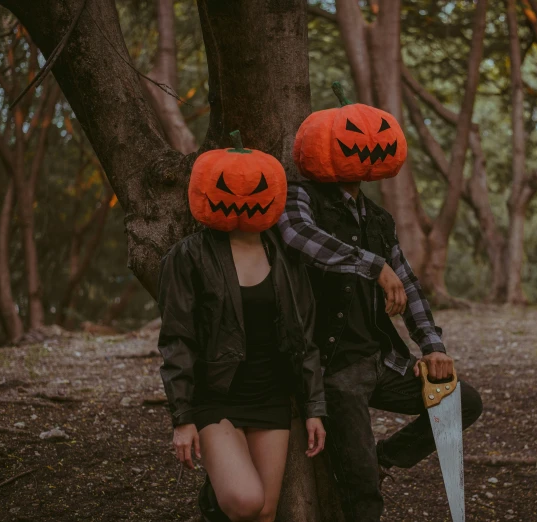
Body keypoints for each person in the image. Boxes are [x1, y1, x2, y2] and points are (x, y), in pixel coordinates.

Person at [278, 84, 483, 521]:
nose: (367, 143)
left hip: (382, 361)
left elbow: (407, 285)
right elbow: (297, 237)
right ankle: (367, 473)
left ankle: (385, 457)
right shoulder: (299, 197)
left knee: (463, 402)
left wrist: (433, 347)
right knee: (362, 496)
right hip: (334, 371)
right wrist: (372, 265)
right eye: (353, 133)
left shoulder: (379, 220)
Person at [157, 131, 326, 522]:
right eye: (222, 186)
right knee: (246, 501)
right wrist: (182, 419)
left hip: (272, 396)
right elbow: (176, 340)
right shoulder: (189, 256)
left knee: (265, 513)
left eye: (259, 187)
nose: (241, 196)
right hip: (217, 397)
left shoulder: (284, 254)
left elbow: (306, 337)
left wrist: (314, 407)